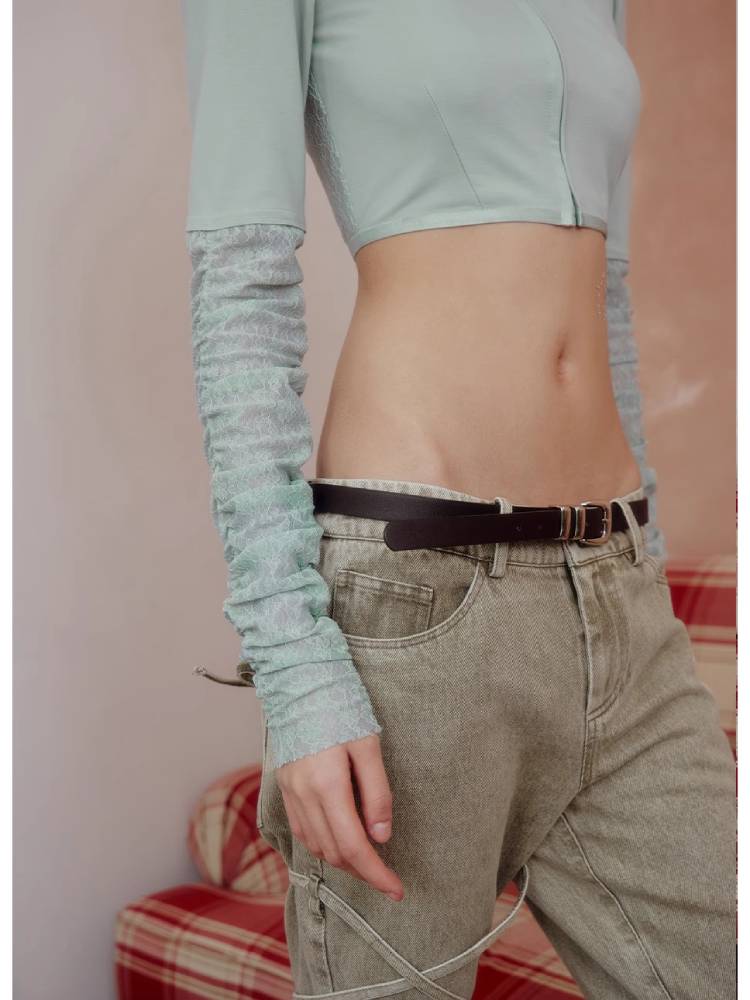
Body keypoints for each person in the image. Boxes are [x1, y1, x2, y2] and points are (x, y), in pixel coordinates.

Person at [180, 2, 736, 997]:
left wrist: (643, 556)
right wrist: (297, 670)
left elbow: (604, 300)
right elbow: (241, 285)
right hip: (420, 600)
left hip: (616, 593)